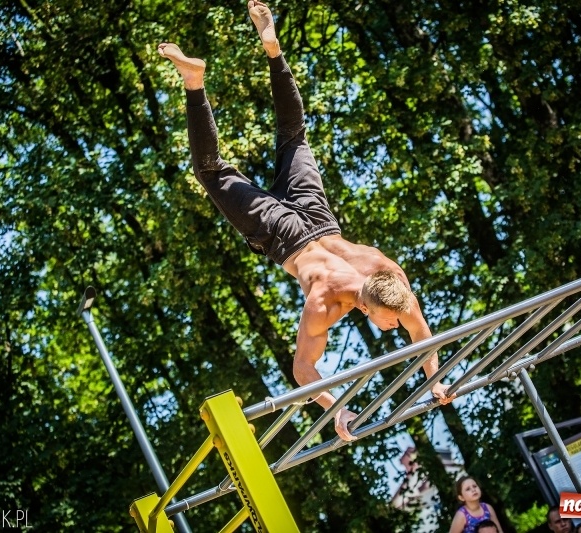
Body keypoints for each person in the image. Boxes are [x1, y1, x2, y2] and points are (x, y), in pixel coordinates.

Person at [159, 1, 456, 442]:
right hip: (284, 235)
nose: (395, 326)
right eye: (390, 321)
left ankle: (272, 48)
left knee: (293, 136)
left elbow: (421, 334)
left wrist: (435, 381)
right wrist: (336, 409)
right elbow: (302, 370)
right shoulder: (325, 301)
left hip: (316, 213)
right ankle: (194, 81)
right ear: (368, 306)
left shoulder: (390, 280)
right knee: (211, 172)